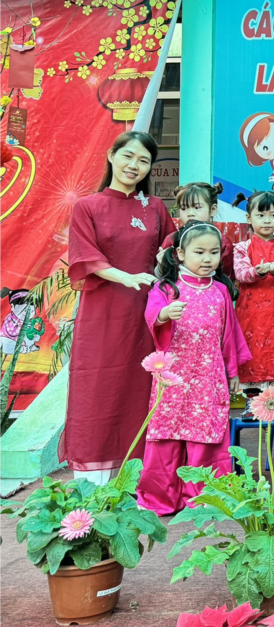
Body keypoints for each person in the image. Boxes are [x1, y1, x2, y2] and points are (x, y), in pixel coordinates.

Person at [65, 130, 175, 484]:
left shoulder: (154, 208)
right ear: (111, 156)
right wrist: (125, 277)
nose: (134, 165)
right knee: (97, 386)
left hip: (146, 313)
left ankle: (142, 478)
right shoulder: (87, 206)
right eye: (128, 156)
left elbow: (173, 248)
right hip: (102, 312)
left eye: (144, 160)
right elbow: (85, 255)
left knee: (141, 387)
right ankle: (93, 481)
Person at [138, 222, 250, 515]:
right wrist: (164, 313)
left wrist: (233, 372)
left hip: (208, 375)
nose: (207, 259)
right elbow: (151, 315)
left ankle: (205, 499)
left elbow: (229, 335)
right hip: (172, 378)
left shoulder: (221, 291)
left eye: (214, 252)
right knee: (166, 436)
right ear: (180, 254)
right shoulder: (166, 288)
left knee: (206, 438)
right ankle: (160, 498)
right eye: (199, 252)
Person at [232, 190, 274, 388]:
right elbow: (241, 274)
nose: (267, 220)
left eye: (273, 215)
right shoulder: (242, 247)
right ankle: (252, 401)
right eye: (260, 215)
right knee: (252, 349)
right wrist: (258, 271)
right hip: (251, 312)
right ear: (248, 217)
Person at [158, 182, 234, 278]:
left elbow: (226, 278)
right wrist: (161, 267)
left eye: (197, 207)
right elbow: (162, 277)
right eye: (184, 208)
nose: (190, 213)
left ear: (213, 209)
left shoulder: (223, 243)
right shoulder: (171, 240)